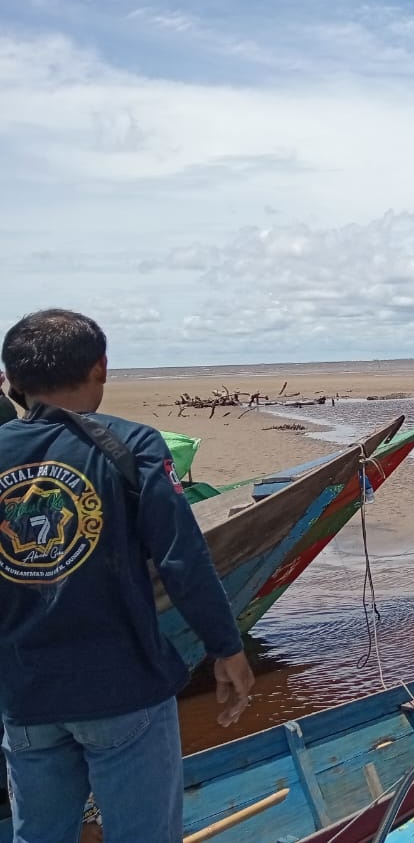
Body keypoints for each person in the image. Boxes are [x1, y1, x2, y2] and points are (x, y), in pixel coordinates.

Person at [0, 309, 254, 843]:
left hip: (26, 699)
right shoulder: (131, 445)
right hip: (123, 688)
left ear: (13, 380)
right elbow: (181, 558)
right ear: (102, 368)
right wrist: (226, 648)